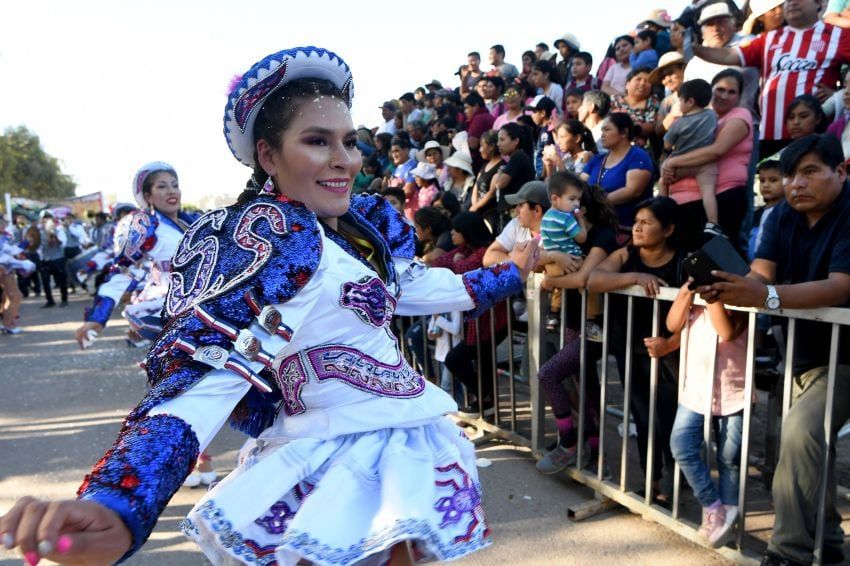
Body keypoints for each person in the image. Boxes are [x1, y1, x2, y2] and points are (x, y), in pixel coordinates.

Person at [0, 46, 540, 566]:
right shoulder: (273, 243)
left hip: (395, 437)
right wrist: (118, 501)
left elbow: (419, 287)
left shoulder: (357, 233)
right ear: (267, 155)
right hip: (332, 457)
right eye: (316, 141)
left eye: (350, 141)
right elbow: (207, 377)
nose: (344, 160)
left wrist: (513, 270)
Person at [697, 134, 850, 565]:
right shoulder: (781, 215)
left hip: (845, 354)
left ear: (841, 172)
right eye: (789, 175)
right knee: (804, 451)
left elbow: (841, 287)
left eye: (809, 172)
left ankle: (788, 554)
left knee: (800, 438)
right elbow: (762, 274)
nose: (796, 183)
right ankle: (832, 547)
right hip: (801, 351)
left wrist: (766, 297)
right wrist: (733, 286)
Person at [587, 196, 685, 503]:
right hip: (628, 345)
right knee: (642, 417)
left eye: (647, 222)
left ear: (668, 229)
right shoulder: (626, 254)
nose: (638, 228)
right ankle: (651, 480)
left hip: (668, 350)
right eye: (637, 221)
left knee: (669, 417)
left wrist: (672, 343)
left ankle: (674, 482)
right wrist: (634, 277)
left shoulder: (682, 260)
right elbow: (594, 280)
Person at [534, 178, 621, 474]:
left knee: (549, 374)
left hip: (595, 325)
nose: (573, 208)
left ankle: (568, 443)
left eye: (576, 202)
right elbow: (534, 259)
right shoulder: (565, 232)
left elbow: (583, 278)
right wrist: (553, 256)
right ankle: (596, 457)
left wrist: (550, 280)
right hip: (574, 320)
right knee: (583, 387)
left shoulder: (602, 236)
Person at [685, 0, 850, 155]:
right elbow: (730, 56)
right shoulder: (769, 39)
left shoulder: (838, 36)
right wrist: (695, 49)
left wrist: (839, 95)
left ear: (819, 3)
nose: (791, 3)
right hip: (769, 135)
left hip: (814, 134)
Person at [666, 280, 748, 548]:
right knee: (681, 445)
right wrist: (685, 293)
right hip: (696, 390)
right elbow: (671, 325)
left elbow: (726, 332)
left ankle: (728, 522)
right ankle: (714, 508)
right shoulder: (694, 296)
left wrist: (713, 298)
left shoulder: (740, 298)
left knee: (729, 458)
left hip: (735, 390)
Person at [661, 69, 753, 253]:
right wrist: (666, 164)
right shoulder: (706, 117)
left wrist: (672, 162)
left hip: (723, 197)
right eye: (720, 89)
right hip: (683, 200)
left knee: (718, 260)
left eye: (731, 91)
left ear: (739, 96)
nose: (724, 95)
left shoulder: (740, 115)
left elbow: (717, 150)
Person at [436, 212, 509, 417]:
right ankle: (488, 405)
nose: (452, 233)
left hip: (493, 320)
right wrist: (455, 261)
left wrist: (457, 263)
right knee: (483, 362)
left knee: (456, 359)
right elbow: (440, 261)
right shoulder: (466, 249)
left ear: (467, 233)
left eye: (456, 230)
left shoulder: (485, 251)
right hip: (479, 319)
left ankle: (486, 399)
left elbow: (466, 269)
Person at [658, 79, 722, 241]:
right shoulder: (711, 115)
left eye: (680, 100)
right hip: (705, 162)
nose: (679, 104)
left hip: (681, 164)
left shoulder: (679, 123)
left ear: (690, 101)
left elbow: (667, 143)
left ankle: (663, 211)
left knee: (662, 182)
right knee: (708, 192)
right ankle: (713, 223)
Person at [582, 113, 655, 232]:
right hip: (595, 227)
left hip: (625, 229)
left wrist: (597, 203)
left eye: (607, 129)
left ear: (624, 133)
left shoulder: (637, 156)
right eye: (602, 130)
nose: (602, 135)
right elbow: (578, 185)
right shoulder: (597, 159)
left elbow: (633, 191)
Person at [540, 172, 589, 331]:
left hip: (552, 264)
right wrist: (580, 220)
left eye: (578, 199)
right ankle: (591, 318)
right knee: (589, 283)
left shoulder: (547, 216)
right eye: (572, 199)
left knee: (557, 291)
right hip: (572, 260)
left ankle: (553, 317)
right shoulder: (566, 218)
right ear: (555, 198)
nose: (576, 204)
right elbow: (581, 238)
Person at [493, 123, 536, 231]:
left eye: (502, 140)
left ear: (516, 141)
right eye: (498, 140)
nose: (498, 144)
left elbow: (500, 183)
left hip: (513, 214)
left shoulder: (518, 157)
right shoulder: (519, 157)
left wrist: (499, 174)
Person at [610, 68, 661, 149]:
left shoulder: (653, 101)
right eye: (638, 79)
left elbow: (651, 126)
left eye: (647, 81)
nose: (642, 83)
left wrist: (628, 124)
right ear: (627, 84)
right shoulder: (613, 100)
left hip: (638, 149)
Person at [747, 158, 785, 261]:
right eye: (762, 180)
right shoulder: (757, 212)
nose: (766, 185)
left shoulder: (786, 211)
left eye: (773, 180)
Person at [469, 130, 502, 229]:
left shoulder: (501, 166)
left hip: (490, 212)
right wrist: (474, 205)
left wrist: (475, 207)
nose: (480, 150)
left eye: (482, 146)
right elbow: (476, 185)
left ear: (491, 146)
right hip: (477, 210)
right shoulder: (484, 165)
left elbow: (491, 193)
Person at [650, 51, 686, 137]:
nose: (667, 80)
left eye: (670, 73)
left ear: (684, 69)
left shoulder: (701, 90)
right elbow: (658, 131)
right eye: (662, 77)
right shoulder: (666, 102)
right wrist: (671, 116)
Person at [38, 211, 69, 309]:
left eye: (48, 217)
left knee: (62, 280)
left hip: (57, 258)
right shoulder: (38, 231)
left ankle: (64, 300)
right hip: (45, 259)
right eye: (44, 217)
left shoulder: (59, 229)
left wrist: (54, 236)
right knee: (45, 281)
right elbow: (37, 246)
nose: (46, 219)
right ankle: (50, 301)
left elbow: (63, 243)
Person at [463, 92, 496, 171]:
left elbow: (472, 144)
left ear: (475, 106)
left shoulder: (479, 119)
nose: (465, 111)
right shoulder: (487, 116)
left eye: (467, 108)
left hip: (480, 162)